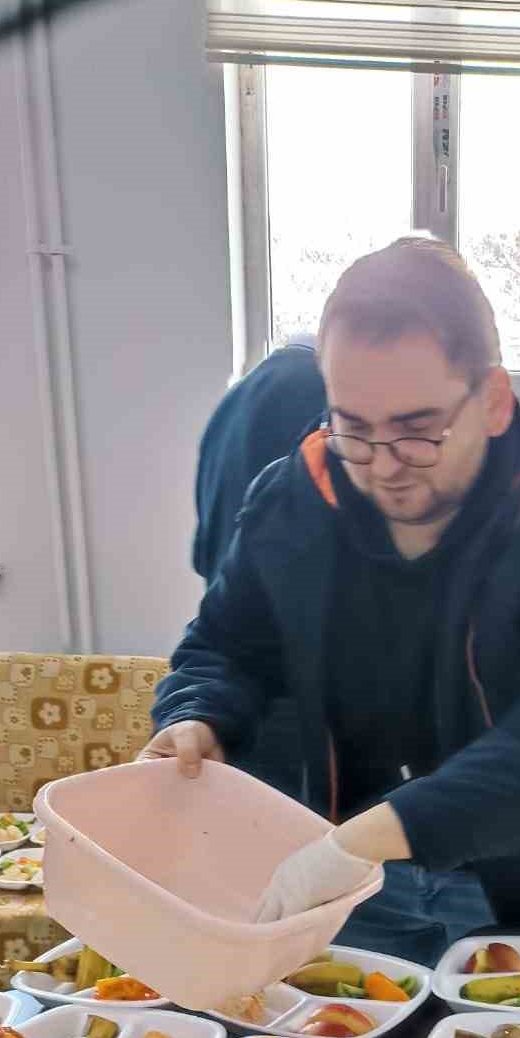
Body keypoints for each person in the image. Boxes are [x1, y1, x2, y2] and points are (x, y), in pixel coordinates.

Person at [142, 236, 520, 965]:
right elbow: (226, 644)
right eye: (353, 428)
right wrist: (197, 713)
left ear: (490, 400)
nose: (383, 467)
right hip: (359, 889)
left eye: (417, 431)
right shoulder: (292, 499)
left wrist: (366, 838)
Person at [192, 336, 327, 798]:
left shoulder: (231, 406)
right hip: (291, 690)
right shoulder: (317, 396)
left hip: (235, 675)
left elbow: (201, 549)